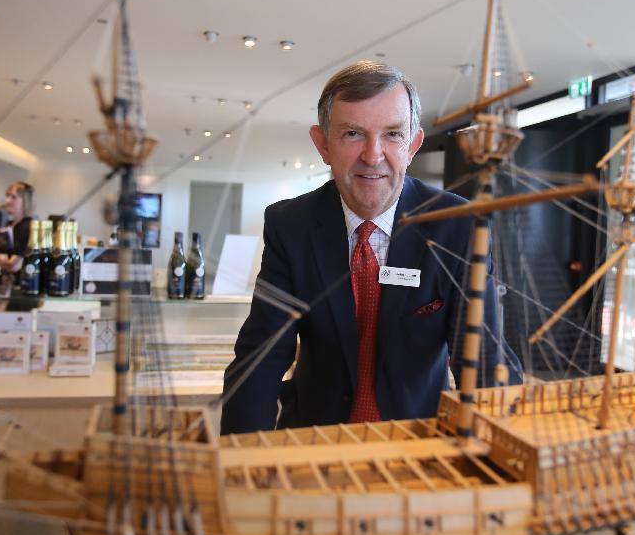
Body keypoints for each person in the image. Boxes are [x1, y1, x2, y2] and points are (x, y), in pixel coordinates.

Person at [220, 61, 521, 434]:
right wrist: (241, 459)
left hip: (419, 439)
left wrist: (500, 452)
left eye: (393, 134)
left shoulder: (458, 225)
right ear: (323, 144)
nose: (373, 155)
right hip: (315, 437)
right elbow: (261, 358)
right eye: (352, 134)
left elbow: (484, 358)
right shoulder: (290, 225)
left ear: (413, 145)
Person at [0, 181, 35, 311]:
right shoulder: (8, 225)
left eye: (13, 197)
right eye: (7, 196)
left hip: (21, 288)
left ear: (25, 201)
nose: (8, 200)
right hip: (5, 284)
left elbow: (15, 265)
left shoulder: (28, 227)